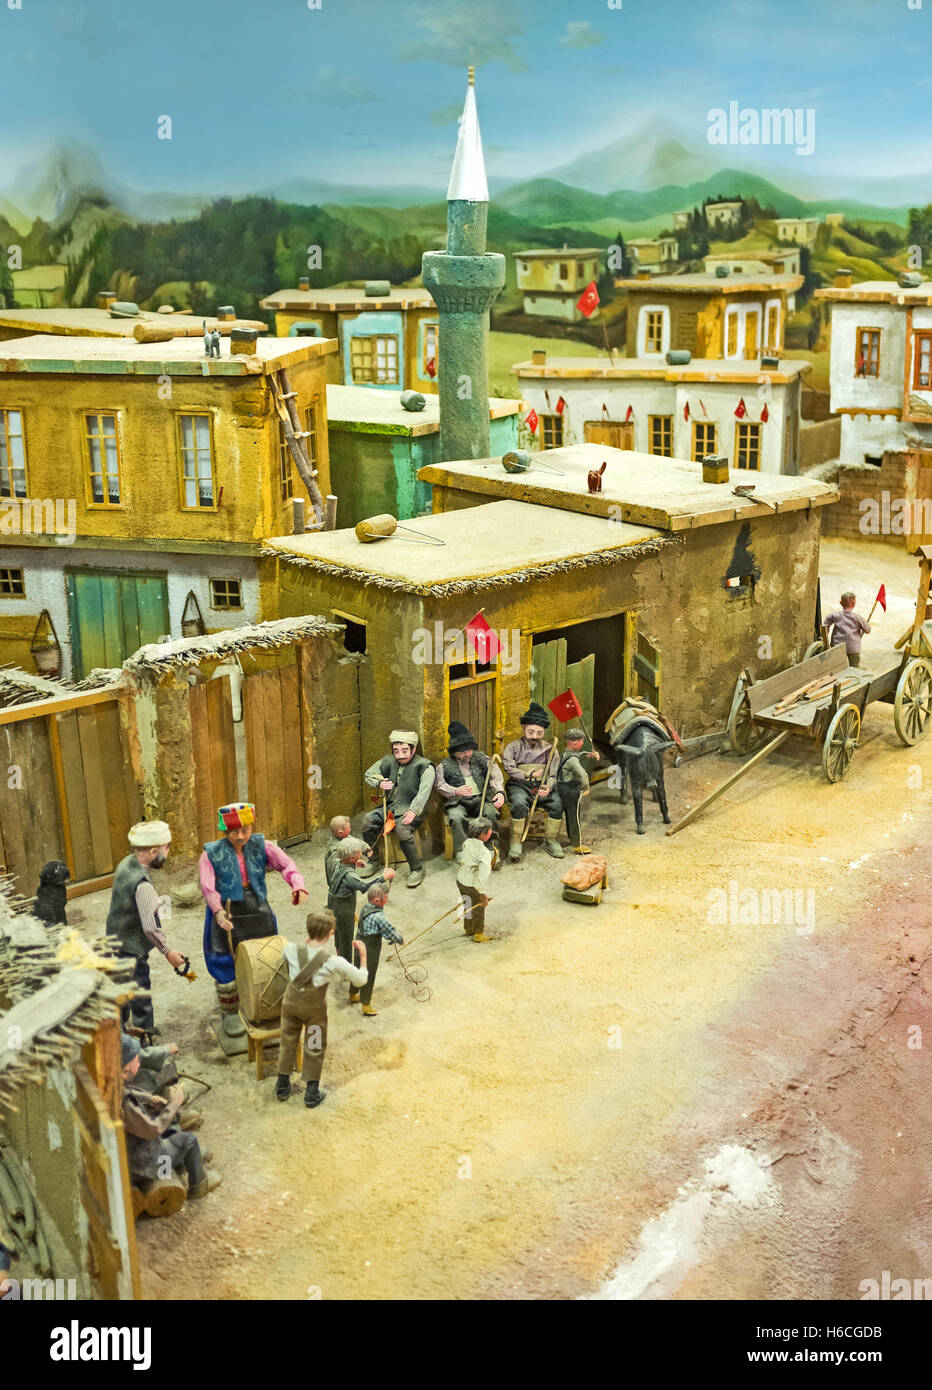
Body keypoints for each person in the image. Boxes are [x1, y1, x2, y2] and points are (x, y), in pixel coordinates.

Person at [199, 802, 308, 1037]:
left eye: (245, 830)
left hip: (256, 906)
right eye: (234, 832)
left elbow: (286, 864)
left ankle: (267, 1002)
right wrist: (217, 912)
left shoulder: (263, 845)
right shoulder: (211, 853)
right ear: (225, 831)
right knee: (223, 957)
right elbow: (208, 887)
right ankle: (229, 1012)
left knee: (268, 954)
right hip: (226, 909)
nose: (240, 836)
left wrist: (297, 885)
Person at [275, 909, 370, 1107]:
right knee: (314, 1046)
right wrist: (363, 957)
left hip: (290, 1005)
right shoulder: (333, 961)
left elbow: (285, 962)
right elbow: (360, 980)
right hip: (313, 1012)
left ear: (308, 929)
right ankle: (311, 1093)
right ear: (330, 934)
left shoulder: (290, 949)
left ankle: (282, 1086)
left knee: (287, 1041)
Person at [106, 821, 186, 1034]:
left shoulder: (125, 863)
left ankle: (118, 1027)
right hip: (131, 949)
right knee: (139, 991)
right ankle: (143, 1033)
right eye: (166, 847)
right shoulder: (143, 886)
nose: (167, 852)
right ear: (153, 851)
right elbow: (149, 927)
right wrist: (167, 952)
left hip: (114, 938)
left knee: (120, 986)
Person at [120, 1034, 221, 1200]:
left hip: (134, 1158)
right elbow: (153, 1130)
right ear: (124, 1071)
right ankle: (199, 1185)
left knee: (169, 1128)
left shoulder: (113, 1087)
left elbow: (128, 1092)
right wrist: (174, 1104)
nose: (139, 1064)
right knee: (189, 1141)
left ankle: (180, 1160)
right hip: (146, 1166)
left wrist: (150, 1099)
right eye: (137, 1061)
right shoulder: (125, 1105)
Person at [361, 729, 435, 888]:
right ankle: (373, 860)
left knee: (402, 829)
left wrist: (414, 810)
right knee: (368, 821)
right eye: (396, 751)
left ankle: (416, 868)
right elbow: (370, 774)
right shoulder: (388, 761)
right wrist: (379, 782)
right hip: (390, 806)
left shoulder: (425, 766)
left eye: (405, 751)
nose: (400, 755)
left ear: (413, 749)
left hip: (412, 808)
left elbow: (424, 792)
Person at [326, 838, 394, 998]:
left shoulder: (338, 863)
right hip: (344, 908)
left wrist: (355, 864)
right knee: (347, 938)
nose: (360, 855)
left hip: (333, 903)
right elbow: (364, 886)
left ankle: (339, 957)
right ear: (351, 858)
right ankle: (346, 968)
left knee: (339, 934)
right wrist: (383, 877)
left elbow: (345, 870)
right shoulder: (350, 876)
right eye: (358, 854)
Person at [434, 721, 505, 862]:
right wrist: (455, 791)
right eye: (461, 751)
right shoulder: (444, 765)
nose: (466, 754)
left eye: (469, 750)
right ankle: (461, 850)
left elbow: (495, 774)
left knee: (491, 812)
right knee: (456, 817)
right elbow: (439, 783)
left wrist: (499, 792)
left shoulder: (482, 759)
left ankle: (490, 847)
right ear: (454, 751)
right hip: (458, 802)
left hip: (482, 798)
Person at [502, 702, 564, 861]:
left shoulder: (551, 749)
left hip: (541, 787)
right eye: (530, 731)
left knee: (557, 802)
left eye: (539, 732)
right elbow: (508, 768)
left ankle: (551, 839)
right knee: (519, 803)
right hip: (519, 786)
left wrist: (548, 787)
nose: (535, 736)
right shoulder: (513, 747)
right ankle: (516, 841)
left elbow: (553, 773)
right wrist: (527, 775)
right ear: (523, 728)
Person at [355, 882, 404, 1016]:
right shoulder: (379, 917)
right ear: (377, 901)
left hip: (359, 940)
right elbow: (388, 931)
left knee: (356, 968)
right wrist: (399, 939)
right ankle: (366, 1005)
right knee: (368, 974)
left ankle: (353, 994)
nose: (387, 900)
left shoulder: (365, 907)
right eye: (386, 898)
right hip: (370, 946)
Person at [456, 817, 495, 943]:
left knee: (467, 904)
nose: (491, 832)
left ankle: (468, 927)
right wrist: (482, 893)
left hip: (461, 880)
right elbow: (483, 875)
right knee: (478, 908)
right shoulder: (484, 852)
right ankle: (478, 933)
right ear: (483, 834)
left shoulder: (467, 842)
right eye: (489, 831)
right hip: (472, 884)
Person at [557, 729, 592, 854]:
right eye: (582, 741)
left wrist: (586, 754)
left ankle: (571, 839)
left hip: (562, 788)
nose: (583, 743)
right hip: (570, 790)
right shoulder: (572, 760)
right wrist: (585, 788)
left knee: (569, 815)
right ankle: (577, 845)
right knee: (574, 817)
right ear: (575, 743)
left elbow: (576, 756)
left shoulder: (567, 752)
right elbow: (583, 774)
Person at [826, 591, 871, 668]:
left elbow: (825, 627)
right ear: (854, 603)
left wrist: (827, 633)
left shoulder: (834, 615)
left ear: (841, 603)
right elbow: (867, 630)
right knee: (853, 668)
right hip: (853, 649)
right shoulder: (857, 617)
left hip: (837, 647)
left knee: (837, 668)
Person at [33, 860, 69, 926]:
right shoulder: (52, 891)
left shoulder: (56, 888)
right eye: (65, 878)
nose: (67, 881)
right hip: (48, 922)